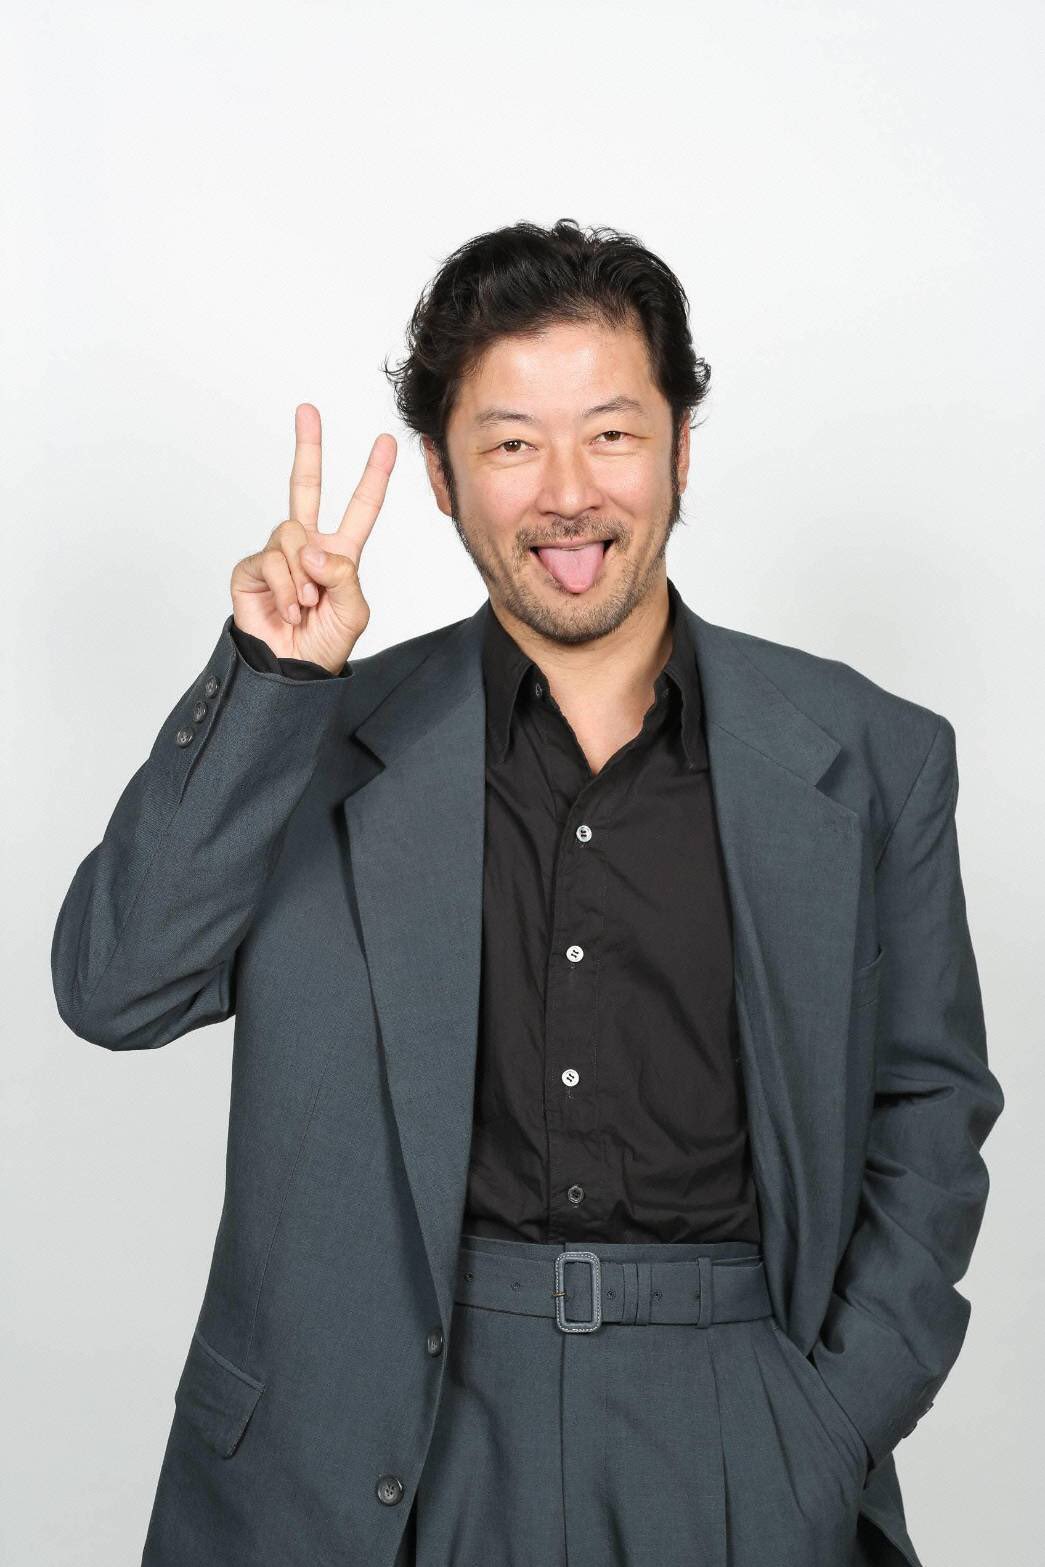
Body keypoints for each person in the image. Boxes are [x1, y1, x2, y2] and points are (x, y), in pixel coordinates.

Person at [51, 218, 1003, 1567]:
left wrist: (829, 1422)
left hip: (731, 1414)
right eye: (510, 445)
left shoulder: (869, 757)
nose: (568, 493)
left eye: (612, 434)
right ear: (443, 480)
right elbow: (115, 991)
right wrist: (270, 684)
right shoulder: (313, 738)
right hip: (379, 1432)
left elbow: (929, 1111)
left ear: (680, 450)